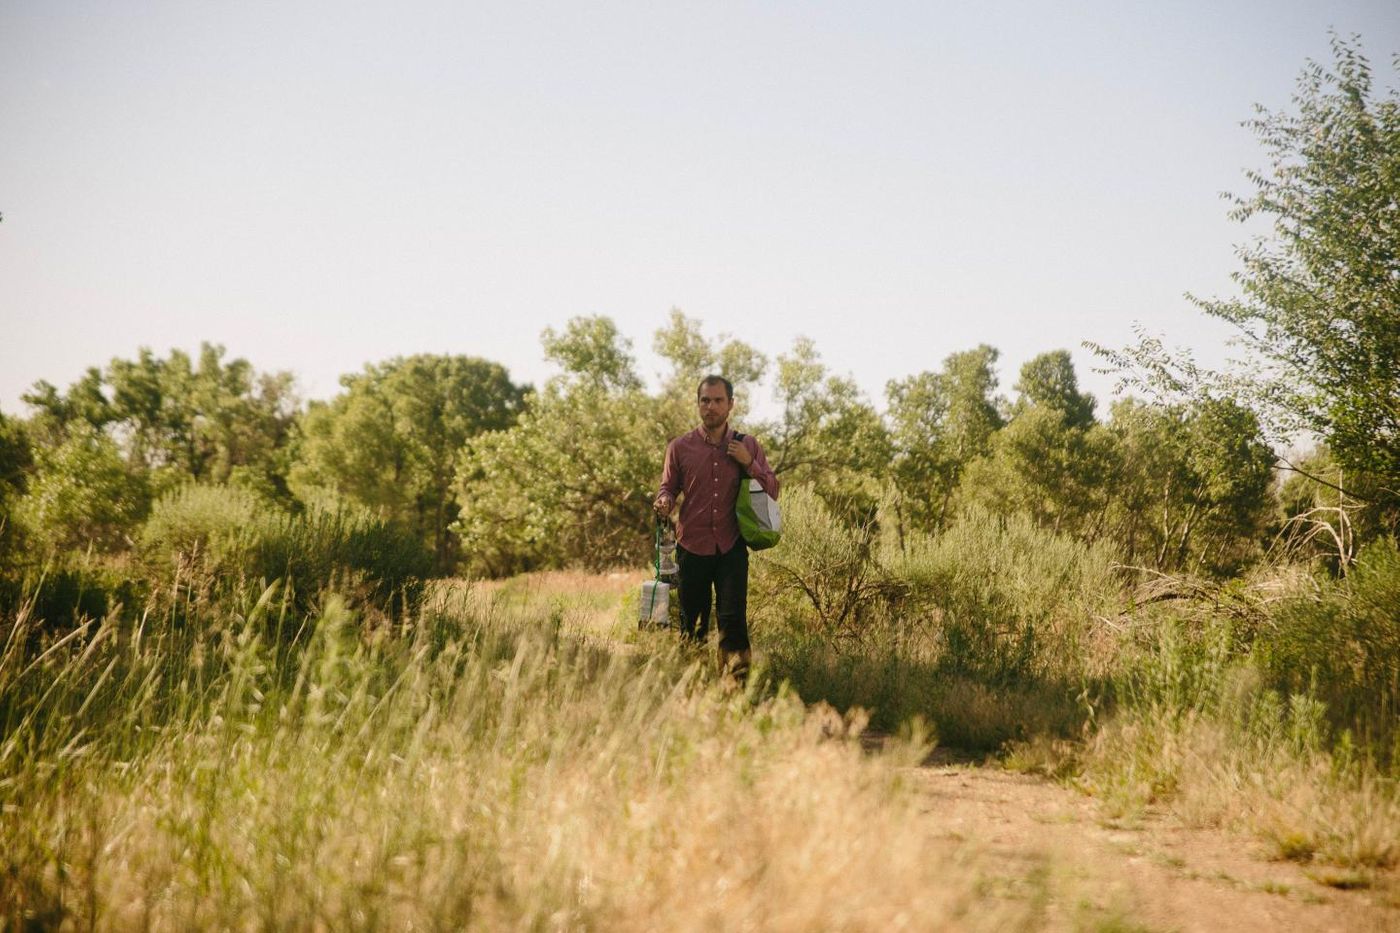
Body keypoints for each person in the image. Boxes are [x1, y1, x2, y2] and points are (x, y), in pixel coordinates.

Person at [653, 375, 779, 684]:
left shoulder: (747, 445)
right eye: (705, 401)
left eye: (718, 400)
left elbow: (772, 489)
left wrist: (749, 463)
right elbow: (667, 487)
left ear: (731, 405)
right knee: (692, 625)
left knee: (733, 623)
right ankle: (693, 688)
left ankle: (737, 693)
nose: (711, 406)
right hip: (691, 547)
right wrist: (664, 501)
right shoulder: (680, 447)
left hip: (731, 547)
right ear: (698, 404)